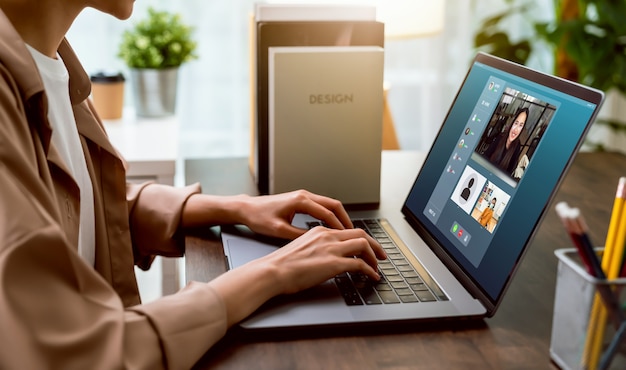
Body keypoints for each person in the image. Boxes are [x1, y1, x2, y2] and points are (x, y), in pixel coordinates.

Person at [0, 1, 386, 369]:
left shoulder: (52, 64)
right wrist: (272, 273)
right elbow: (76, 355)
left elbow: (79, 211)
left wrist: (235, 207)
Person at [483, 107, 528, 175]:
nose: (516, 130)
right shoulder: (500, 137)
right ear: (512, 122)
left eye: (520, 125)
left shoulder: (517, 146)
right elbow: (485, 156)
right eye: (516, 123)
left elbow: (509, 173)